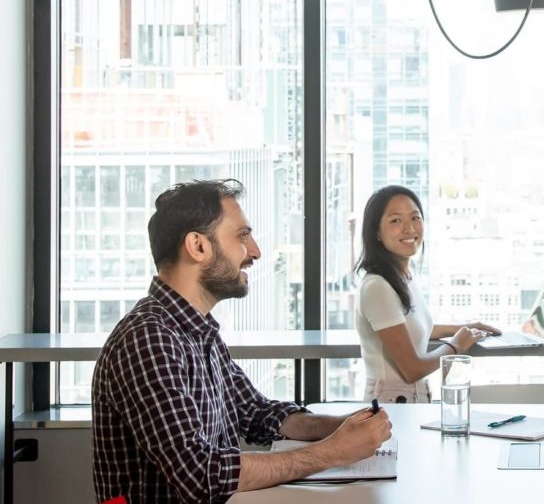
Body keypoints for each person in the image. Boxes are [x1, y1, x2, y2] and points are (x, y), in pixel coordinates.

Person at [92, 179, 393, 503]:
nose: (255, 251)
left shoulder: (197, 331)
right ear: (198, 246)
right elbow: (201, 477)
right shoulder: (148, 340)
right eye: (242, 236)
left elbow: (256, 413)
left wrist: (344, 426)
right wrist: (332, 452)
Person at [354, 185, 500, 402]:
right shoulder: (377, 286)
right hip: (390, 405)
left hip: (409, 400)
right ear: (376, 231)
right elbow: (412, 369)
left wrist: (464, 328)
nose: (409, 229)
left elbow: (411, 330)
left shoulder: (403, 276)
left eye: (415, 218)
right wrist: (456, 345)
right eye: (396, 220)